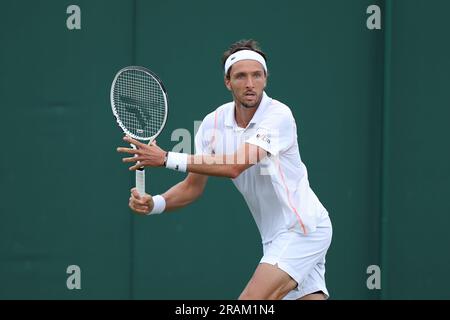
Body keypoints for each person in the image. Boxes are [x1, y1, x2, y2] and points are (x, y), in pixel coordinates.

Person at [117, 39, 332, 300]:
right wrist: (156, 203)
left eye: (257, 75)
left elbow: (234, 166)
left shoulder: (279, 116)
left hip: (302, 228)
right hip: (274, 238)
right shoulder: (212, 124)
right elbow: (191, 187)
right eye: (241, 76)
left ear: (265, 79)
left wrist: (165, 158)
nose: (250, 83)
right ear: (228, 82)